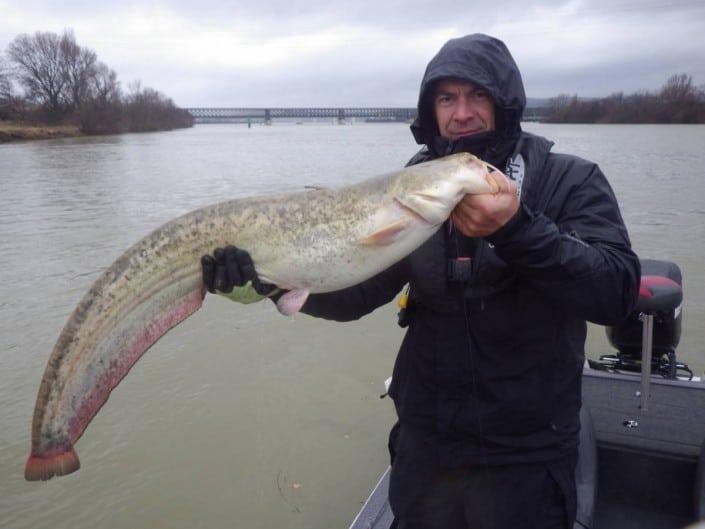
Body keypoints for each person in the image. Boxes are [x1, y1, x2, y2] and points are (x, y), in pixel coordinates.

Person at [202, 34, 640, 529]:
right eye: (447, 98)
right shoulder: (412, 192)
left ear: (505, 102)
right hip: (426, 453)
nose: (462, 112)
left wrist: (517, 229)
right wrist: (272, 281)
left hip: (527, 459)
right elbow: (356, 293)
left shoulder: (568, 181)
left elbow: (616, 290)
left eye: (478, 95)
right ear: (431, 112)